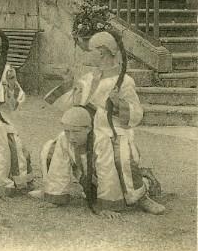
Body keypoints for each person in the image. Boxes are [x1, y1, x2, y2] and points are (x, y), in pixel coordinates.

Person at [43, 31, 165, 214]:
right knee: (57, 144)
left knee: (121, 155)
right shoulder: (87, 79)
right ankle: (56, 194)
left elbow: (136, 115)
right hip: (86, 129)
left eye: (90, 50)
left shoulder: (125, 82)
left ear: (102, 52)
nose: (87, 54)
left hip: (112, 130)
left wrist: (118, 104)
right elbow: (71, 108)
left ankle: (141, 195)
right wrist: (69, 84)